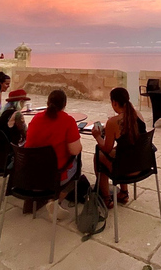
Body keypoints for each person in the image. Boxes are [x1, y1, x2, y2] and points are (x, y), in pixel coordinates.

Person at [25, 90, 83, 219]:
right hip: (56, 175)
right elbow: (75, 150)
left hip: (33, 173)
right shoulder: (68, 121)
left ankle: (47, 199)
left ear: (47, 102)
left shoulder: (36, 118)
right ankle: (55, 200)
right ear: (65, 104)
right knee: (78, 165)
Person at [92, 87, 147, 209]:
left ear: (114, 102)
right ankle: (123, 193)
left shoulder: (113, 122)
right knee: (120, 150)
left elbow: (106, 148)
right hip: (143, 165)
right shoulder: (137, 114)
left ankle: (106, 198)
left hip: (125, 170)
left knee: (98, 156)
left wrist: (97, 136)